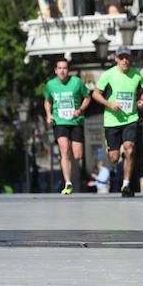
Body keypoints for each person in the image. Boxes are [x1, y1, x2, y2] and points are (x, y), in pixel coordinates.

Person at [91, 45, 143, 197]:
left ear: (130, 58)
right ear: (116, 59)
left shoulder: (137, 75)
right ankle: (119, 155)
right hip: (112, 120)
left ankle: (126, 185)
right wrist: (110, 104)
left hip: (131, 118)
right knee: (114, 158)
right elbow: (95, 94)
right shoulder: (108, 75)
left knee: (130, 148)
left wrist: (142, 102)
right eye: (121, 57)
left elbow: (142, 93)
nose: (124, 60)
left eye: (127, 57)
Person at [43, 59, 91, 195]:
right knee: (64, 150)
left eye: (65, 68)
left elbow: (88, 97)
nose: (62, 71)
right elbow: (47, 100)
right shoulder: (50, 85)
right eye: (59, 68)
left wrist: (80, 110)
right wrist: (48, 114)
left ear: (68, 70)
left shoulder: (76, 82)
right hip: (60, 121)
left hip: (76, 121)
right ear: (55, 70)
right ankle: (68, 183)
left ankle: (69, 166)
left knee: (77, 155)